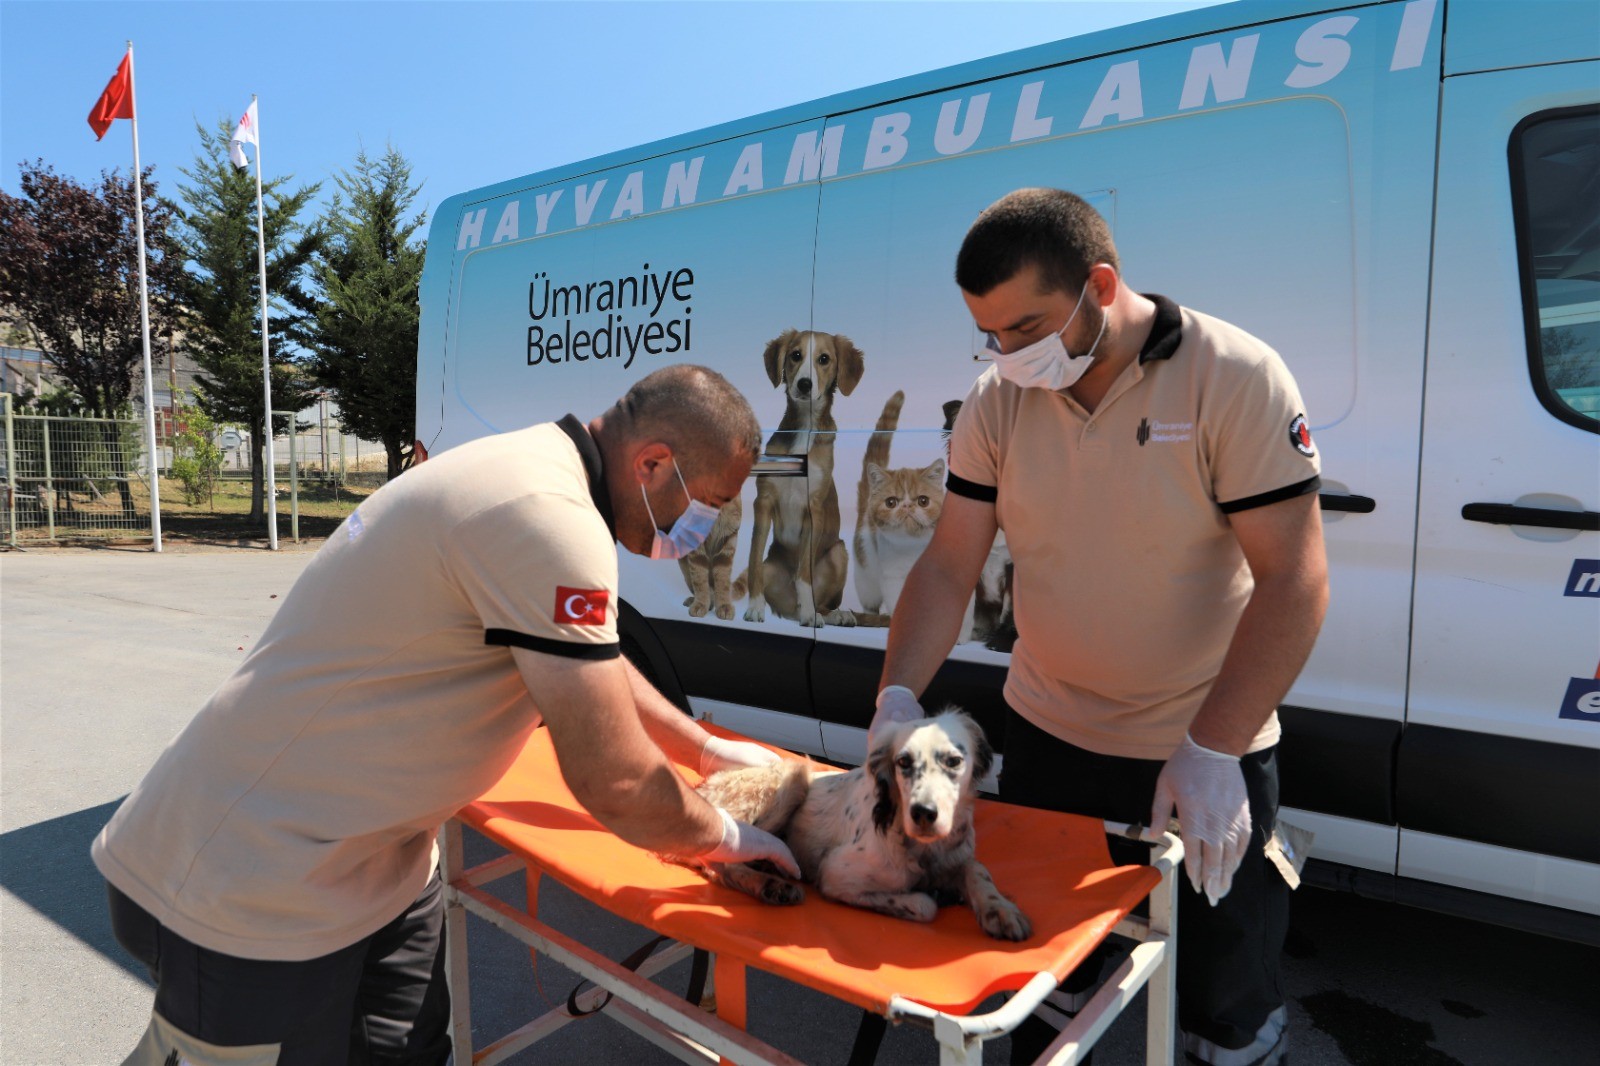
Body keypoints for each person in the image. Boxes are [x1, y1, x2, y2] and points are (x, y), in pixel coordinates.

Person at [94, 365, 799, 1066]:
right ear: (652, 464)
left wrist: (703, 750)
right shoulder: (549, 515)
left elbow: (591, 662)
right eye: (710, 503)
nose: (705, 530)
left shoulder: (538, 476)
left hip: (378, 865)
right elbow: (612, 779)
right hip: (255, 882)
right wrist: (725, 836)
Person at [872, 189, 1328, 1066]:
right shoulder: (998, 401)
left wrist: (1216, 746)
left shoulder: (1234, 375)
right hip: (1052, 742)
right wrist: (897, 693)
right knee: (1042, 986)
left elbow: (1295, 580)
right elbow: (948, 565)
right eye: (990, 334)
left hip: (1203, 752)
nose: (1008, 355)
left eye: (1027, 327)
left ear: (1102, 286)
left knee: (1225, 999)